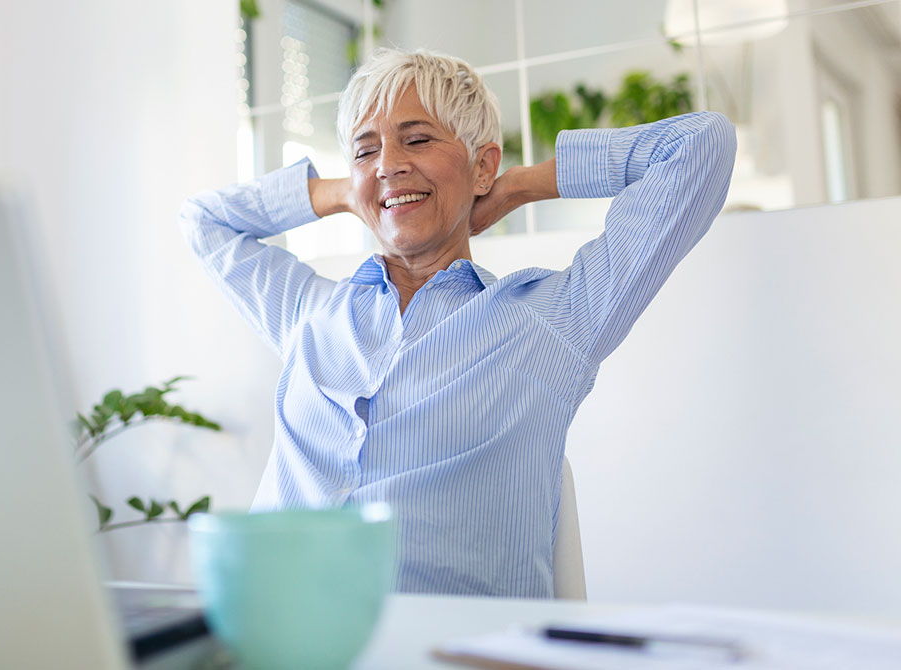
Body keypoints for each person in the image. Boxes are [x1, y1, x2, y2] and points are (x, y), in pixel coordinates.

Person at [180, 48, 736, 597]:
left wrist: (519, 184)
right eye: (366, 149)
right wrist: (344, 191)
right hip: (271, 632)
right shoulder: (308, 313)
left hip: (447, 645)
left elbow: (699, 145)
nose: (389, 163)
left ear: (483, 165)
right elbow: (203, 220)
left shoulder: (552, 319)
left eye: (417, 139)